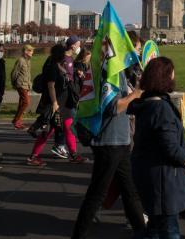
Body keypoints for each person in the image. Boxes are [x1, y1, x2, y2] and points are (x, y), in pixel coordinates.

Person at [71, 46, 145, 239]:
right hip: (109, 141)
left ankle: (142, 232)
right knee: (97, 193)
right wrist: (134, 95)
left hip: (119, 141)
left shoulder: (113, 71)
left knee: (130, 191)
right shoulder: (110, 72)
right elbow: (114, 107)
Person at [128, 57, 185, 239]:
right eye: (171, 73)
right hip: (162, 179)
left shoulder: (146, 103)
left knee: (155, 227)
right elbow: (170, 148)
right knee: (169, 230)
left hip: (149, 174)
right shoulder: (160, 108)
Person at [27, 44, 85, 165]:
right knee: (48, 131)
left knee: (69, 128)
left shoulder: (60, 65)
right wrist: (54, 103)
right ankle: (33, 157)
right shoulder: (53, 67)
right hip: (55, 103)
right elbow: (51, 86)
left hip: (64, 103)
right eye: (63, 53)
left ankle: (73, 154)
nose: (65, 55)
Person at [11, 44, 34, 129]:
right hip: (20, 84)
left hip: (26, 85)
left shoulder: (28, 61)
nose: (32, 53)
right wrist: (14, 84)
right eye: (31, 51)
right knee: (26, 102)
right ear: (26, 51)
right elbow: (14, 73)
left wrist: (29, 84)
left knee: (22, 103)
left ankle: (19, 122)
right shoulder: (20, 61)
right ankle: (16, 120)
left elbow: (27, 74)